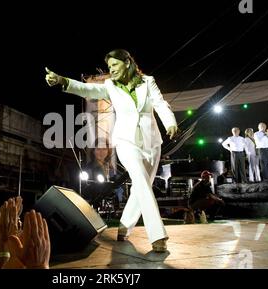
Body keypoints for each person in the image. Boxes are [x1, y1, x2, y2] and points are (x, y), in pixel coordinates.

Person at [45, 49, 177, 252]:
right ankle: (158, 235)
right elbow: (87, 89)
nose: (111, 70)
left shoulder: (147, 81)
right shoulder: (110, 86)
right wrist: (63, 81)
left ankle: (125, 225)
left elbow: (160, 103)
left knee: (143, 186)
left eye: (115, 65)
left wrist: (169, 122)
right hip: (126, 141)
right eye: (109, 67)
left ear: (127, 63)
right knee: (142, 182)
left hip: (152, 142)